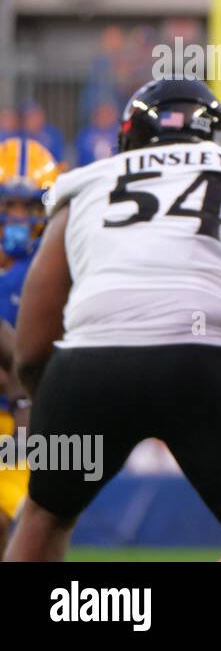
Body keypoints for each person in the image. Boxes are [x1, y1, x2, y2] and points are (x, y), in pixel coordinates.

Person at [3, 79, 221, 562]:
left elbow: (32, 340)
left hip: (89, 366)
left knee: (44, 516)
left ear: (128, 139)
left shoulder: (92, 182)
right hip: (202, 362)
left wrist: (49, 400)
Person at [0, 138, 60, 554]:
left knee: (24, 529)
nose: (18, 218)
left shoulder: (54, 265)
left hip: (25, 419)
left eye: (29, 207)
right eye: (9, 206)